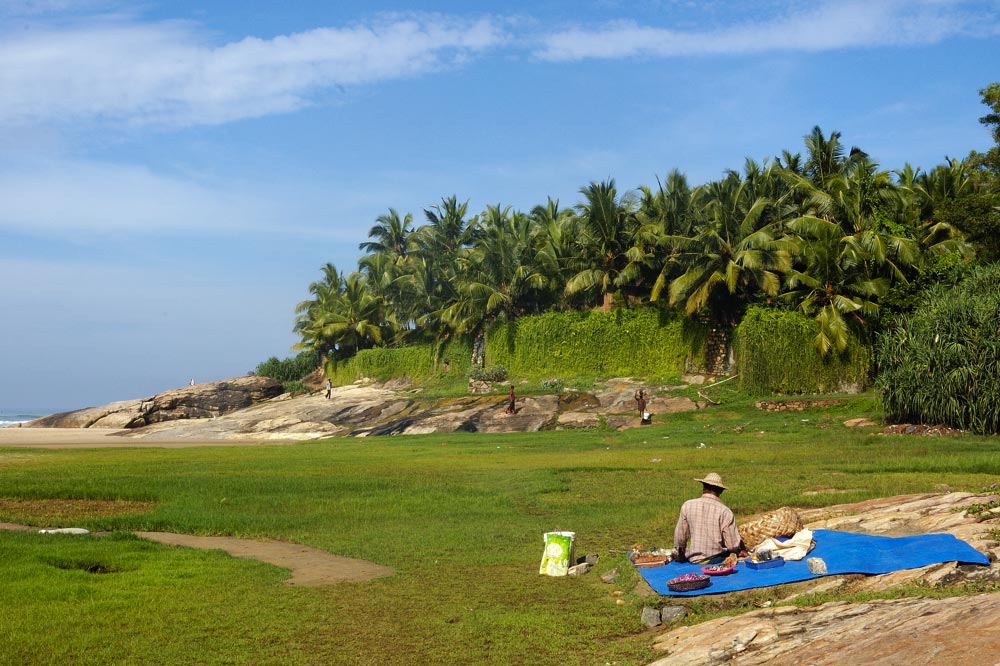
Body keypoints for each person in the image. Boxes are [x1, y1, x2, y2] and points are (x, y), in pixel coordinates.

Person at [672, 472, 743, 564]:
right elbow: (733, 545)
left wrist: (680, 554)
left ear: (704, 487)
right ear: (721, 491)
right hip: (716, 560)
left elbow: (680, 537)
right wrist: (739, 551)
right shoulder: (725, 511)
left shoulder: (688, 505)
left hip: (693, 560)